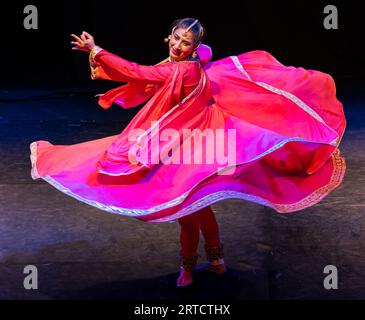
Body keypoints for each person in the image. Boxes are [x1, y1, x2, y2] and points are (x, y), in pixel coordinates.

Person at [31, 18, 346, 288]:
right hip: (188, 134)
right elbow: (155, 77)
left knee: (188, 209)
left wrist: (96, 51)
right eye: (177, 38)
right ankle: (217, 260)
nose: (178, 46)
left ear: (194, 48)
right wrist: (120, 92)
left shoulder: (186, 71)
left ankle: (189, 267)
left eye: (186, 43)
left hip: (194, 142)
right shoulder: (184, 64)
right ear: (170, 36)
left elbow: (138, 71)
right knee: (199, 204)